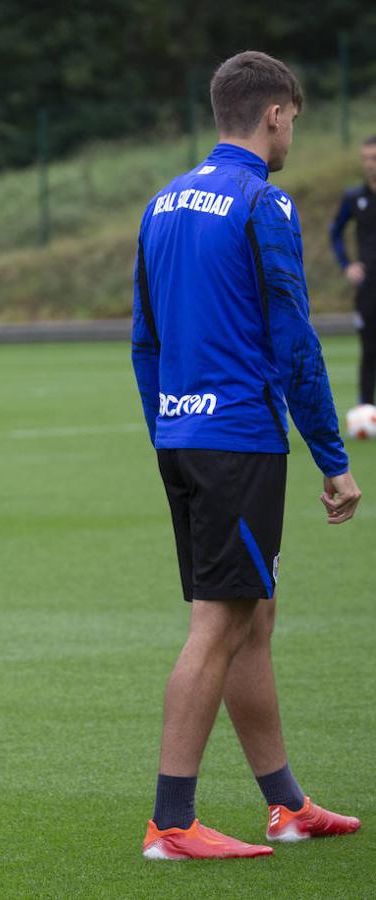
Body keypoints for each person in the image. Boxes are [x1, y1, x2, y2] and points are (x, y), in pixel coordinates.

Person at [131, 52, 362, 860]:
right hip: (237, 438)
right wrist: (332, 455)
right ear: (274, 114)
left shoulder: (161, 204)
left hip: (184, 433)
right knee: (221, 621)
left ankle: (288, 805)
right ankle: (171, 823)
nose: (292, 131)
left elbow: (145, 341)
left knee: (252, 616)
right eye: (293, 119)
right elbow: (294, 340)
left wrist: (169, 425)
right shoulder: (264, 202)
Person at [329, 135, 376, 405]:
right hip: (368, 288)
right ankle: (366, 409)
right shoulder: (354, 197)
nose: (369, 165)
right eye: (366, 159)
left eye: (374, 159)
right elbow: (335, 232)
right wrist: (347, 266)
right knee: (369, 350)